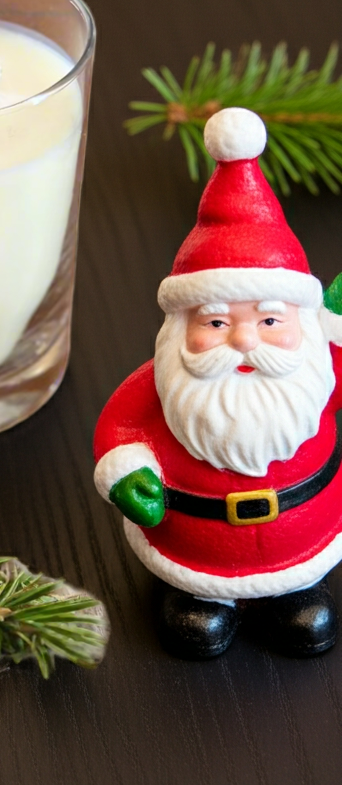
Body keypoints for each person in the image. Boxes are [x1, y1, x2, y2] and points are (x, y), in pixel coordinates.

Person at [93, 107, 342, 658]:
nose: (245, 341)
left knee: (304, 618)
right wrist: (128, 473)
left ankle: (292, 595)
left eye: (270, 320)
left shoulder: (319, 367)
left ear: (301, 321)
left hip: (303, 537)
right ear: (181, 329)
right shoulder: (164, 383)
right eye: (216, 323)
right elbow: (121, 429)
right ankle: (201, 598)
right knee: (195, 625)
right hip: (195, 551)